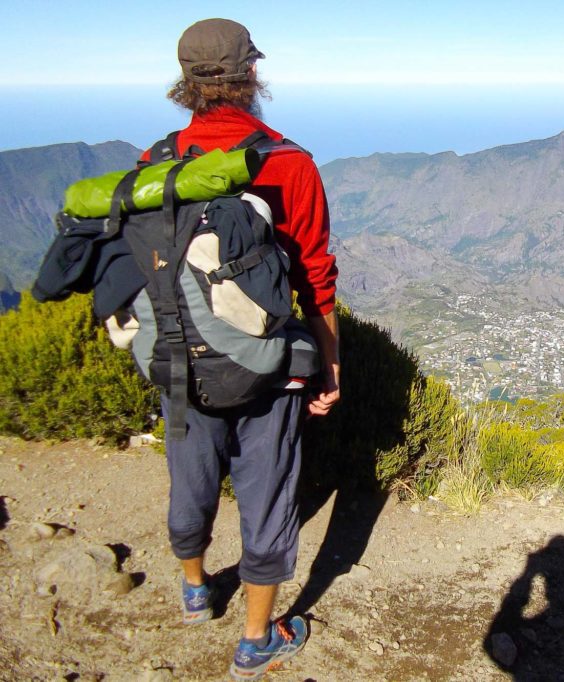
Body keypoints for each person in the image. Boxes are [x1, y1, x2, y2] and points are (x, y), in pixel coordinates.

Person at [149, 18, 340, 681]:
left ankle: (197, 590)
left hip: (183, 367)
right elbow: (315, 276)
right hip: (269, 373)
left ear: (186, 83)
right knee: (267, 499)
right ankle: (256, 640)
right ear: (251, 75)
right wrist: (330, 366)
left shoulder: (158, 162)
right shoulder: (288, 163)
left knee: (190, 483)